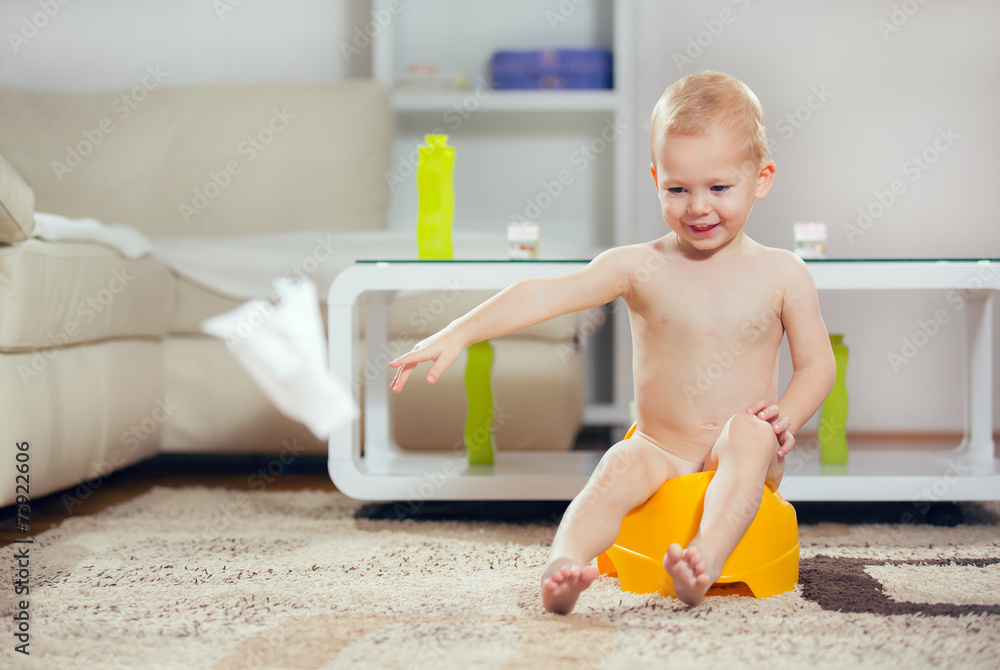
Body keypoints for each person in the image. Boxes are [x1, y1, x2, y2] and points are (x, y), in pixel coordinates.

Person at [389, 71, 836, 613]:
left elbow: (817, 366)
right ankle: (565, 563)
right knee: (615, 467)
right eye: (678, 189)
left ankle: (706, 558)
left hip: (743, 453)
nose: (698, 207)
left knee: (748, 432)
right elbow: (542, 294)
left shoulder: (783, 273)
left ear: (760, 178)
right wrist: (458, 330)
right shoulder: (639, 266)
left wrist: (784, 416)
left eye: (719, 188)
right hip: (660, 448)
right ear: (656, 179)